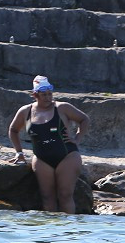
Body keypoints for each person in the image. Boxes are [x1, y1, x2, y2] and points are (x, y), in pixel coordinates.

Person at [7, 75, 90, 214]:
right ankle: (50, 233)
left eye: (50, 94)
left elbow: (84, 119)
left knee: (64, 195)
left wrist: (77, 138)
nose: (48, 97)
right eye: (43, 94)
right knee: (47, 197)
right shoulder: (25, 111)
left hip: (67, 156)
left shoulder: (62, 108)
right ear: (35, 95)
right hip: (41, 159)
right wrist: (19, 153)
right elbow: (13, 130)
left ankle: (68, 231)